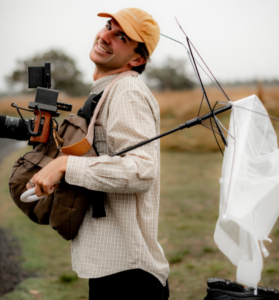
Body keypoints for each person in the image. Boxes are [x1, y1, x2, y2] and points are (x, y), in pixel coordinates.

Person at [25, 7, 170, 300]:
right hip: (112, 267)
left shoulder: (127, 91)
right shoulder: (106, 90)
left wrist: (67, 165)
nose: (105, 36)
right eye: (108, 26)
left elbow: (142, 170)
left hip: (129, 275)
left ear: (136, 59)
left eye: (120, 36)